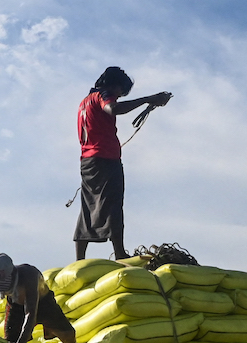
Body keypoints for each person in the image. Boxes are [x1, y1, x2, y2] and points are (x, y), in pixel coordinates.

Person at [73, 66, 172, 261]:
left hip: (87, 161)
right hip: (105, 159)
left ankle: (80, 259)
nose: (119, 96)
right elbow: (113, 109)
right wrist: (148, 99)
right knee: (113, 204)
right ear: (115, 85)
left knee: (88, 205)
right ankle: (119, 253)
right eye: (121, 91)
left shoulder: (84, 102)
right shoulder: (103, 95)